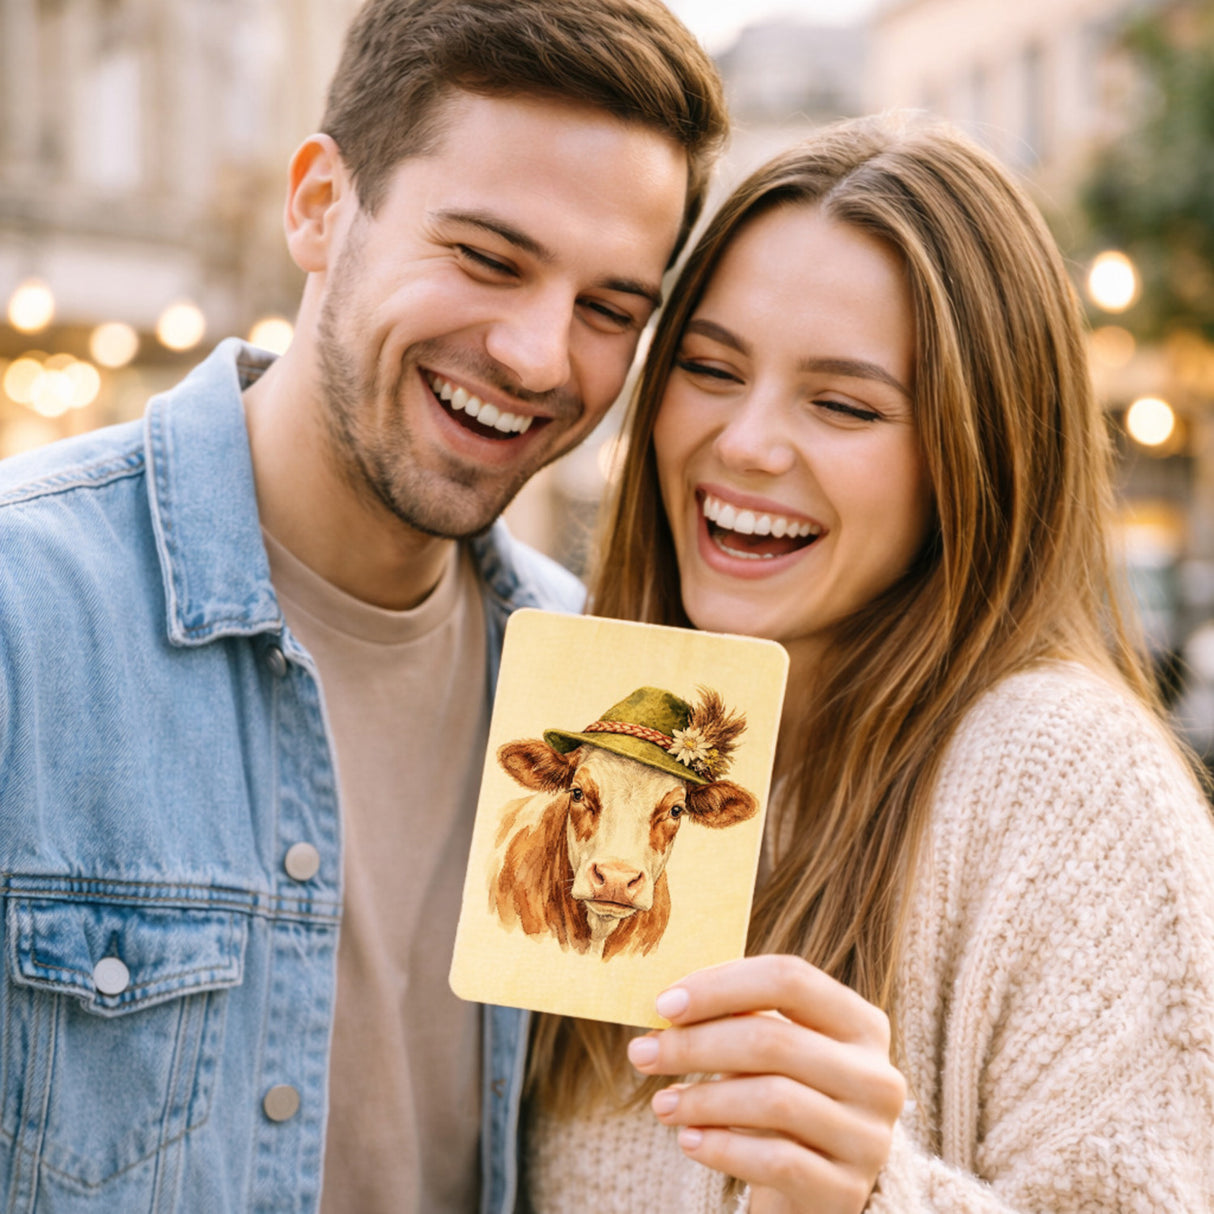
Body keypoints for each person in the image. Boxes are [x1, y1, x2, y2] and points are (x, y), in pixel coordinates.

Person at [0, 3, 727, 1212]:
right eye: (486, 257)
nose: (539, 356)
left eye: (608, 309)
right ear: (319, 206)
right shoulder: (26, 610)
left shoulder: (598, 684)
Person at [522, 114, 1214, 1212]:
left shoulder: (1066, 779)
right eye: (709, 368)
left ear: (974, 453)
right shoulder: (601, 712)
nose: (745, 441)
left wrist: (871, 1194)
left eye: (842, 404)